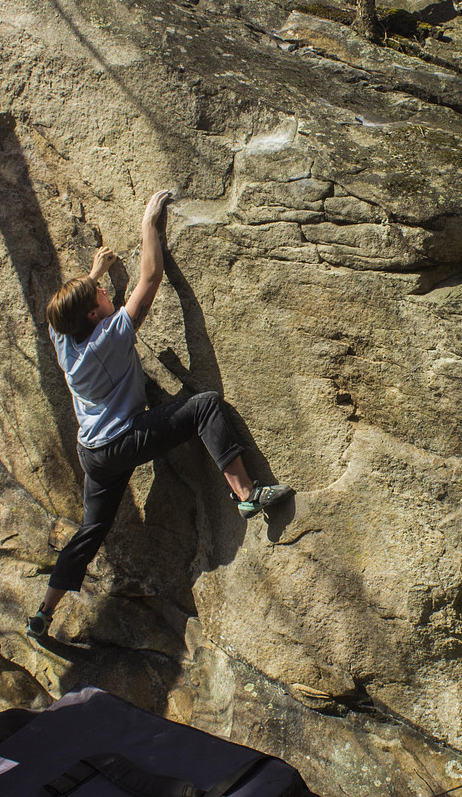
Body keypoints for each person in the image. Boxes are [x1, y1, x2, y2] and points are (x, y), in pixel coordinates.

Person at [28, 190, 292, 641]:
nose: (108, 294)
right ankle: (247, 494)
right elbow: (149, 278)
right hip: (121, 440)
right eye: (101, 295)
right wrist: (149, 224)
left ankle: (43, 614)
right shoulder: (109, 338)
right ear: (94, 313)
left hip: (93, 452)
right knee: (204, 405)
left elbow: (69, 311)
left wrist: (94, 274)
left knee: (91, 530)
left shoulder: (64, 338)